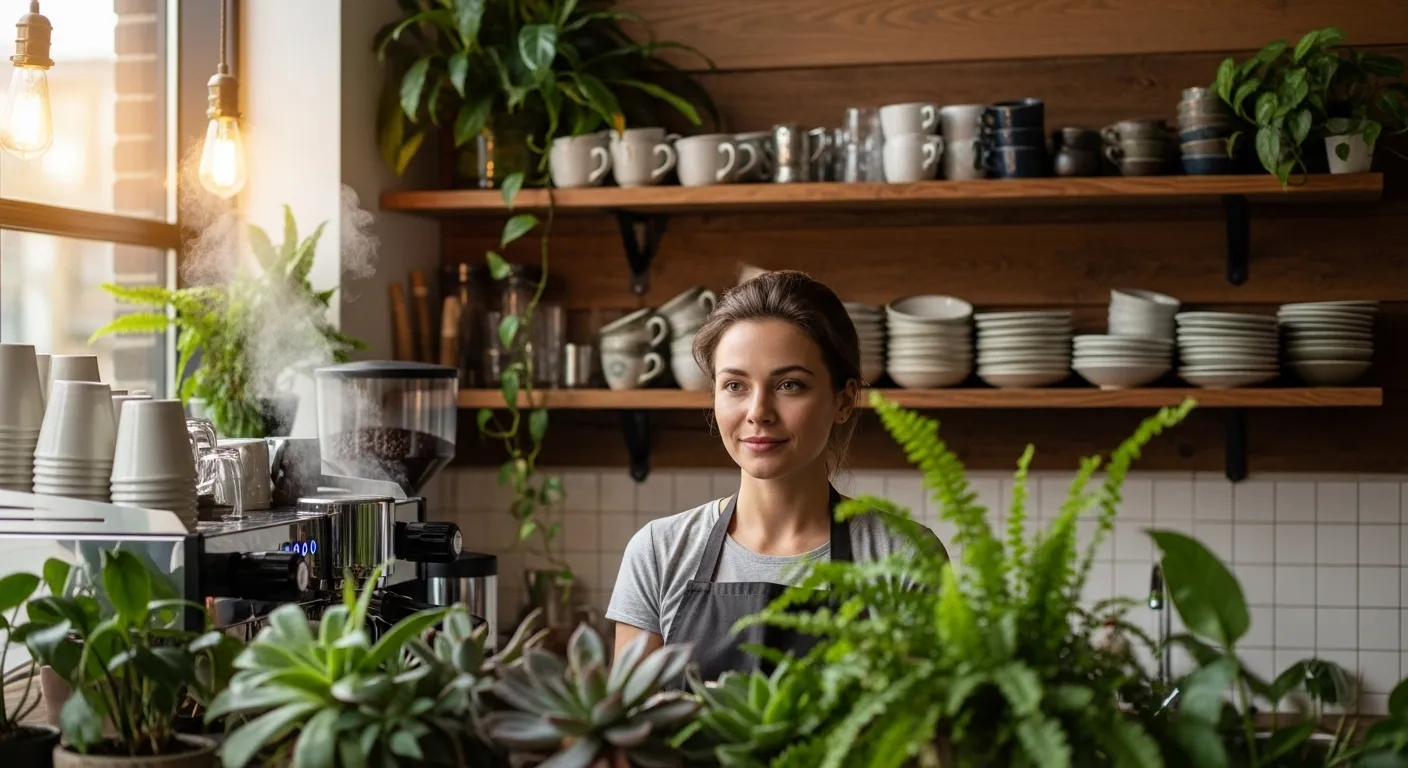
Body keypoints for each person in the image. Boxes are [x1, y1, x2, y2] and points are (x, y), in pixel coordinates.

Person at [605, 270, 948, 678]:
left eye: (789, 385)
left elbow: (927, 733)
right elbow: (627, 731)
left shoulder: (903, 557)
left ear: (844, 400)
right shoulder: (659, 553)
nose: (758, 412)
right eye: (735, 386)